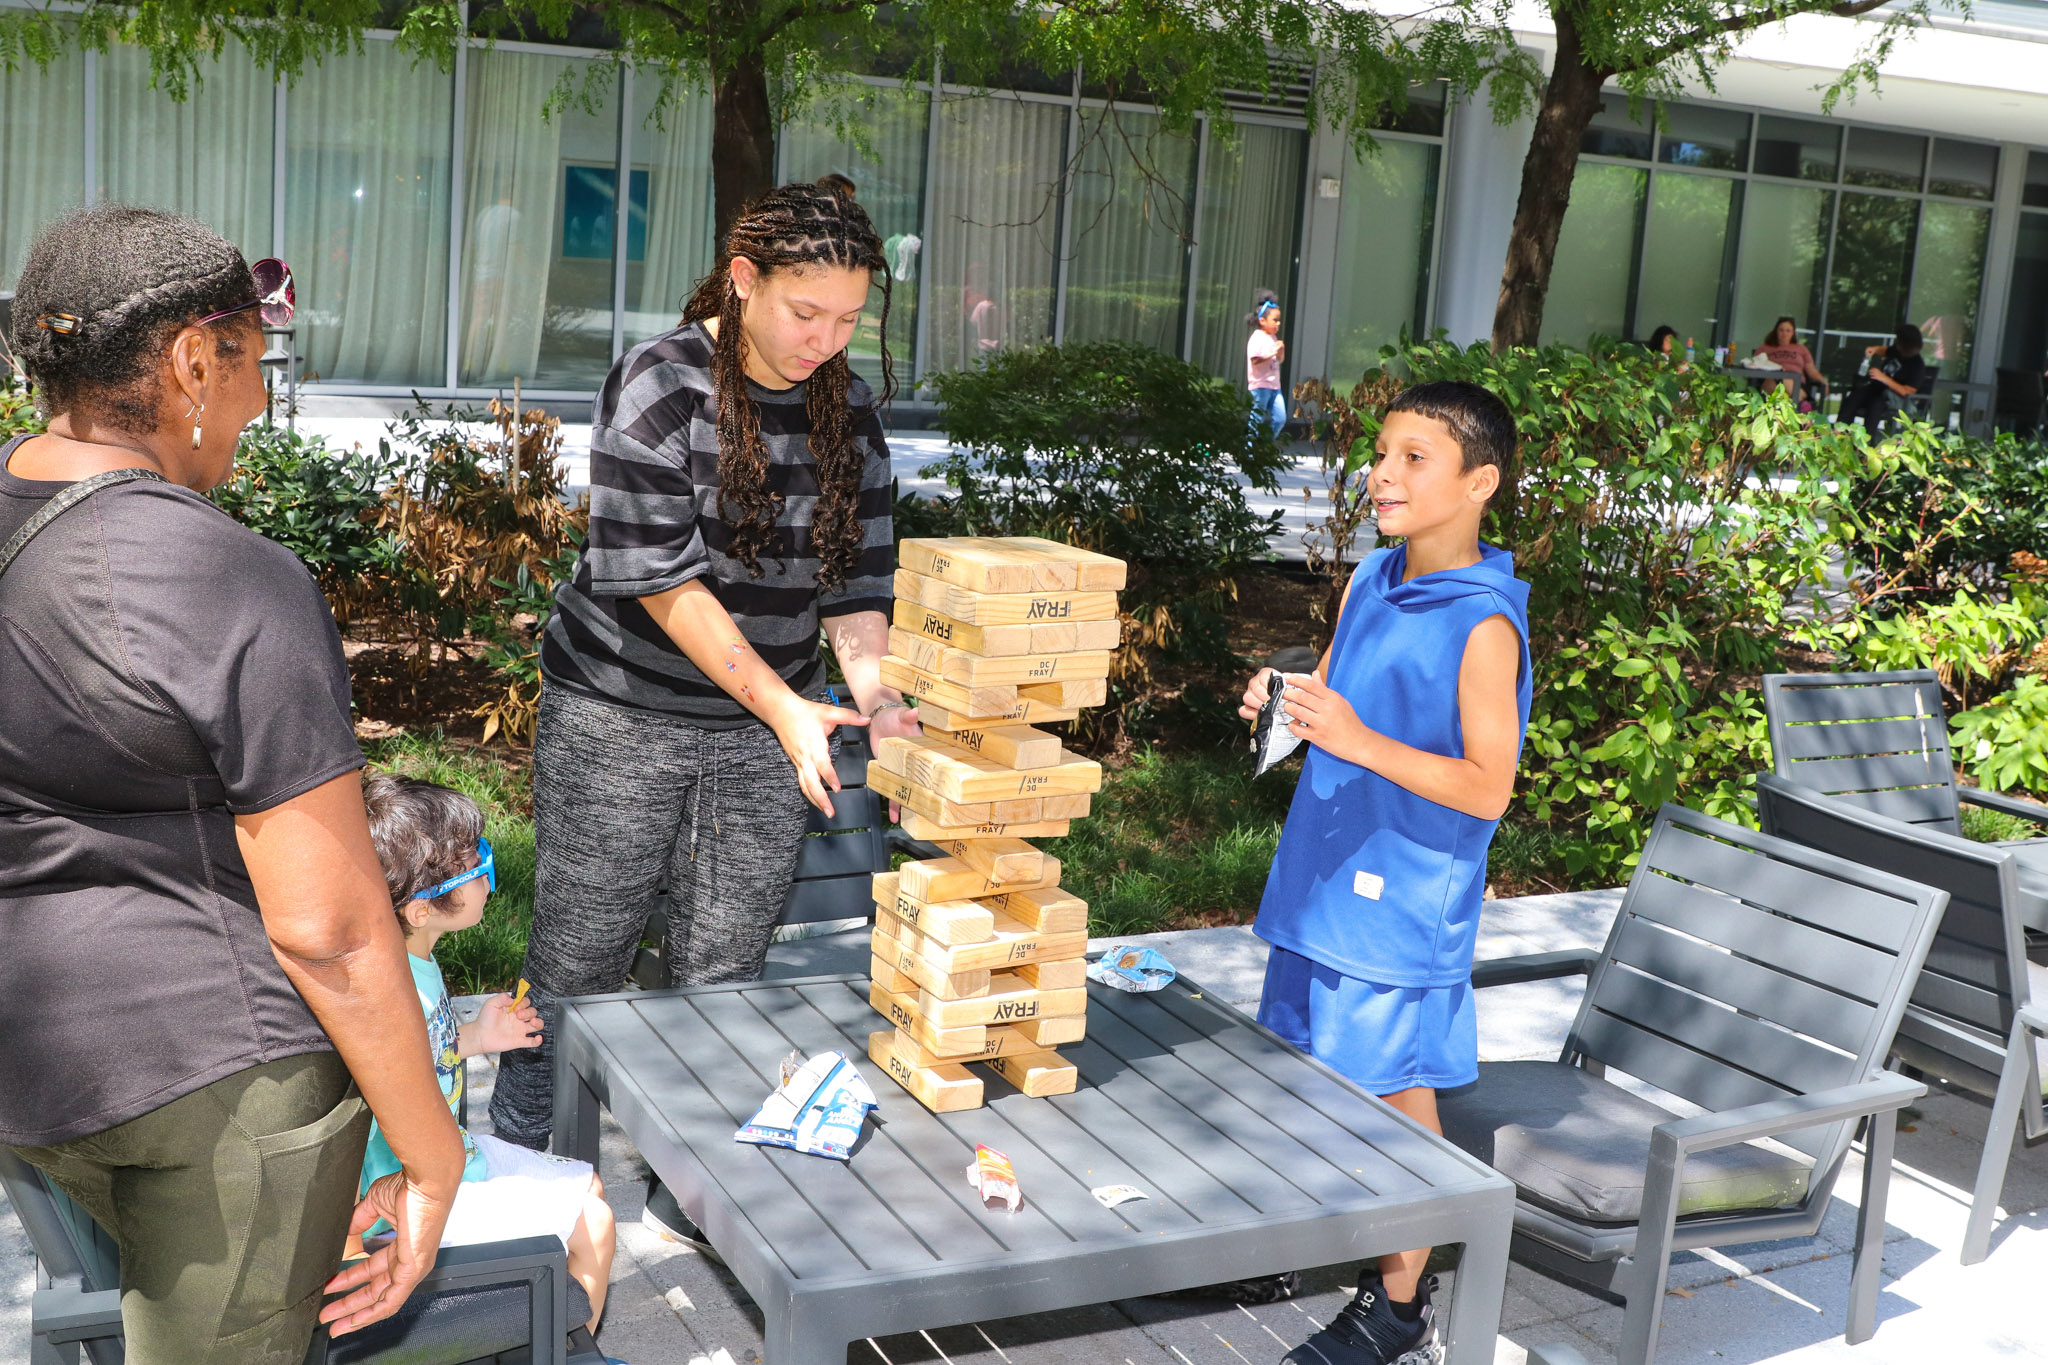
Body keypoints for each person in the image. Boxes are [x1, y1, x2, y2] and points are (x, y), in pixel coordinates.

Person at [0, 205, 464, 1362]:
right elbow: (331, 929)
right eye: (253, 361)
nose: (258, 400)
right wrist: (431, 1155)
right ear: (191, 364)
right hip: (217, 1089)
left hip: (37, 1064)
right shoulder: (227, 577)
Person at [489, 179, 921, 1242]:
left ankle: (685, 1180)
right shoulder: (660, 382)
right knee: (581, 956)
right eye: (804, 312)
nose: (825, 341)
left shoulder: (849, 410)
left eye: (847, 319)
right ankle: (523, 1164)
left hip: (771, 725)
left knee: (725, 967)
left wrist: (879, 701)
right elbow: (659, 580)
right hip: (620, 713)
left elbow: (857, 588)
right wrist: (784, 704)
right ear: (742, 280)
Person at [1241, 380, 1532, 1365]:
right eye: (1380, 453)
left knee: (1393, 1099)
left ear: (1479, 483)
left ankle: (1398, 1305)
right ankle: (1294, 1242)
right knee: (1305, 1068)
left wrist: (1357, 739)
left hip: (1396, 907)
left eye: (1415, 457)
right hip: (1321, 881)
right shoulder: (1372, 576)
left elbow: (1488, 788)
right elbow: (1332, 696)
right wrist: (1283, 700)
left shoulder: (1484, 625)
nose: (1383, 473)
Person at [358, 774, 617, 1336]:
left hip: (447, 1160)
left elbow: (418, 1060)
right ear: (421, 909)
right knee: (594, 1221)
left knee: (590, 1187)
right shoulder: (399, 994)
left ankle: (554, 1340)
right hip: (414, 1193)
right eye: (477, 869)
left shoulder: (407, 961)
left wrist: (476, 1037)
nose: (486, 876)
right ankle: (567, 1349)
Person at [1836, 323, 1929, 435]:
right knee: (1855, 395)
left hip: (1895, 399)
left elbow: (1908, 391)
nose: (1896, 343)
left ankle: (1867, 439)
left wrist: (1884, 378)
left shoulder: (1917, 365)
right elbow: (1885, 351)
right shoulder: (1897, 351)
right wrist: (1874, 349)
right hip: (1877, 391)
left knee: (1876, 403)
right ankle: (1839, 432)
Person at [1758, 316, 1828, 410]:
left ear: (1793, 333)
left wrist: (1824, 382)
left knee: (1785, 380)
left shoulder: (1801, 349)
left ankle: (1787, 406)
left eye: (1788, 330)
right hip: (1772, 379)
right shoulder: (1765, 348)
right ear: (1776, 331)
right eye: (1781, 330)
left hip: (1796, 383)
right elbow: (1755, 365)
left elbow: (1812, 371)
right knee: (1771, 382)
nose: (1784, 333)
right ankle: (1800, 406)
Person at [1247, 291, 1287, 438]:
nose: (1278, 323)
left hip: (1275, 386)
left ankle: (1266, 445)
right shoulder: (1257, 338)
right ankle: (1250, 447)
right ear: (1262, 321)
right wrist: (1272, 352)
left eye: (1279, 320)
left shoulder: (1273, 337)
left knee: (1280, 418)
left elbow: (1279, 360)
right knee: (1257, 419)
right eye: (1275, 320)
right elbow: (1255, 359)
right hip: (1260, 386)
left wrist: (1280, 351)